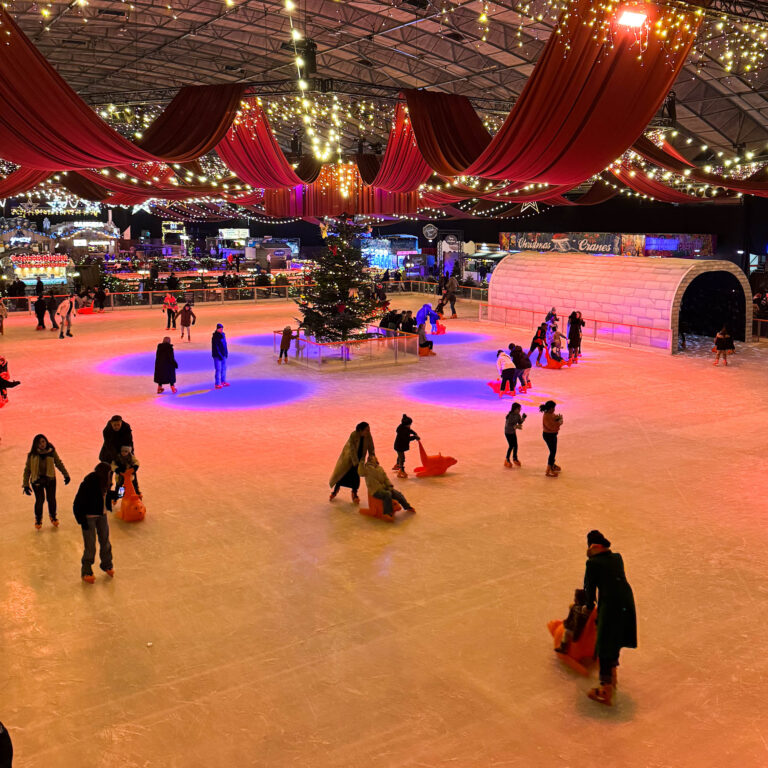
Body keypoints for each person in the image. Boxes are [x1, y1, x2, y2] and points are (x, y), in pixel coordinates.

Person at [583, 530, 637, 705]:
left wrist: (587, 608)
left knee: (605, 642)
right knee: (615, 639)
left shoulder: (593, 563)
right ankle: (612, 678)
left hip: (611, 605)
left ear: (595, 546)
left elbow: (589, 590)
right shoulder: (617, 558)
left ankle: (605, 689)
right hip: (626, 603)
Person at [73, 462, 115, 583]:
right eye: (109, 473)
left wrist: (122, 488)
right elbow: (77, 502)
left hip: (102, 516)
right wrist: (81, 520)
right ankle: (86, 570)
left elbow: (111, 495)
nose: (110, 476)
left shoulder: (105, 484)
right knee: (90, 545)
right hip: (89, 518)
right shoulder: (89, 483)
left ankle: (106, 564)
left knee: (105, 541)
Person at [22, 433, 71, 529]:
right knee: (40, 500)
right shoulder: (32, 455)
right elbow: (27, 470)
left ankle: (53, 516)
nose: (42, 444)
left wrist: (66, 474)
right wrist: (26, 485)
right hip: (37, 481)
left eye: (43, 441)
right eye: (39, 443)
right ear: (36, 445)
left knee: (51, 499)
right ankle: (38, 518)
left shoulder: (51, 452)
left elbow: (58, 463)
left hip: (50, 479)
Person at [329, 422, 374, 504]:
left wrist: (372, 456)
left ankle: (354, 493)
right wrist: (355, 462)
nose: (368, 431)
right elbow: (352, 450)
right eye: (366, 430)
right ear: (361, 430)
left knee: (356, 477)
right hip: (349, 459)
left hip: (360, 459)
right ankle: (335, 491)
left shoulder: (368, 435)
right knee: (343, 475)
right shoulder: (353, 435)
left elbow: (371, 446)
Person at [554, 588, 590, 654]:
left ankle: (563, 648)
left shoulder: (576, 610)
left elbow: (576, 623)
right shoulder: (584, 609)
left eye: (575, 597)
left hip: (576, 632)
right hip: (585, 631)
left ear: (577, 599)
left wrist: (566, 624)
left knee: (566, 632)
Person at [540, 400, 563, 477]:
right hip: (548, 435)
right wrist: (558, 423)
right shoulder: (546, 416)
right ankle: (549, 469)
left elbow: (554, 418)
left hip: (552, 435)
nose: (554, 409)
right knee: (552, 452)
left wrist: (558, 418)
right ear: (550, 408)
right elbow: (551, 427)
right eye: (553, 408)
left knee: (553, 451)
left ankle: (552, 465)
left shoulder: (550, 414)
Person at [393, 414, 420, 478]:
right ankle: (401, 470)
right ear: (406, 424)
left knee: (400, 456)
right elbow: (406, 439)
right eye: (410, 424)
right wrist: (414, 437)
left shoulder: (404, 427)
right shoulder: (403, 430)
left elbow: (409, 430)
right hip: (399, 446)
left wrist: (413, 432)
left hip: (399, 445)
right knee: (402, 458)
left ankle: (397, 465)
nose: (410, 425)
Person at [504, 402, 525, 467]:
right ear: (515, 409)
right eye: (519, 409)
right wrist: (516, 427)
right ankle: (507, 459)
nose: (520, 410)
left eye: (520, 409)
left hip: (513, 432)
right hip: (508, 432)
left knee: (515, 445)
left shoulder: (518, 415)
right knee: (511, 446)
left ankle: (515, 458)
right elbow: (508, 425)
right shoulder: (510, 416)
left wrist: (523, 418)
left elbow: (520, 422)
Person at [211, 323, 229, 388]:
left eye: (222, 329)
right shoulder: (215, 336)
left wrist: (226, 352)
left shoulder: (223, 335)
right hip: (217, 356)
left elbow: (225, 344)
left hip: (223, 354)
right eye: (220, 329)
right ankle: (217, 383)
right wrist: (220, 355)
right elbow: (216, 347)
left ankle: (223, 381)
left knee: (224, 368)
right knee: (218, 369)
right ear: (217, 329)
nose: (221, 330)